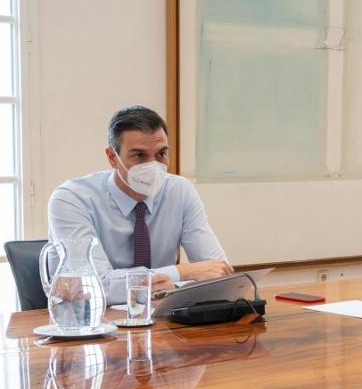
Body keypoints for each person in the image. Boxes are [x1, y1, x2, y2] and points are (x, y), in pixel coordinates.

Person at [48, 106, 233, 304]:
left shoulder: (179, 191)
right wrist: (179, 272)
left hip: (162, 323)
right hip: (89, 323)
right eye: (140, 156)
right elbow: (92, 286)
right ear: (112, 157)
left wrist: (172, 281)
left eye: (161, 154)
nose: (153, 166)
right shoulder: (72, 199)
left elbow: (217, 272)